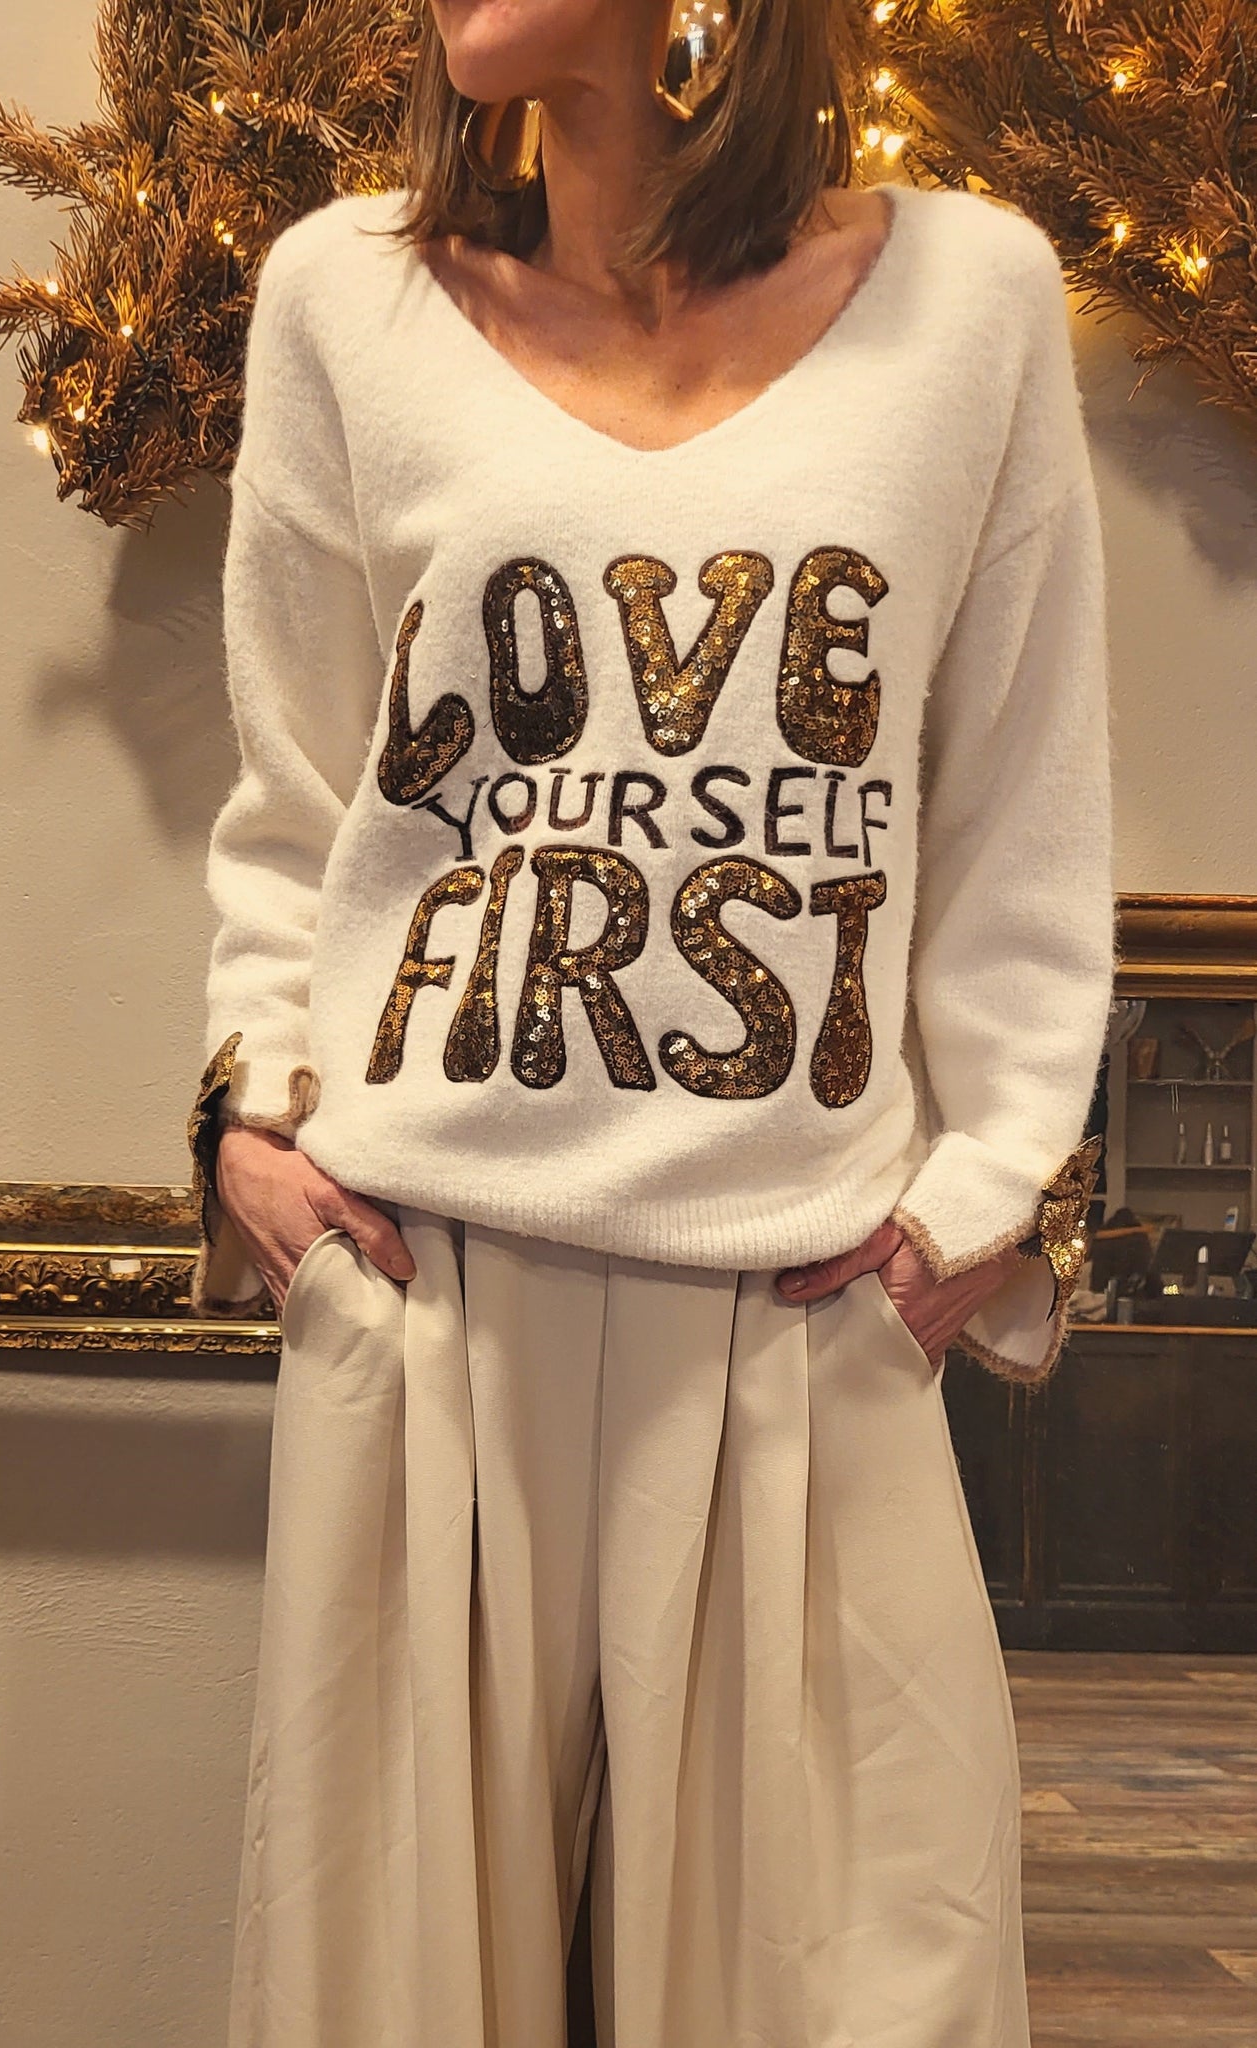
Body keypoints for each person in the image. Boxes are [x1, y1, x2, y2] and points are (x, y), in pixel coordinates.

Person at [188, 2, 1115, 2042]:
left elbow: (1020, 808)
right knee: (386, 2004)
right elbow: (293, 794)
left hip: (800, 1301)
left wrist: (983, 1194)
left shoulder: (969, 302)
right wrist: (253, 1113)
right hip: (427, 1292)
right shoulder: (345, 298)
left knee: (862, 1991)